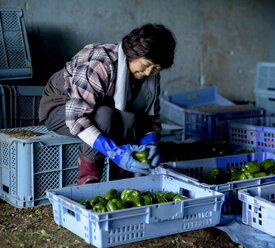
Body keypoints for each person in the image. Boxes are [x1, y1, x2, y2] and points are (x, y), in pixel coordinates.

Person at [39, 23, 176, 184]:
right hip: (62, 108)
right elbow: (76, 117)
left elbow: (150, 117)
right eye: (145, 65)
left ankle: (121, 183)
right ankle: (88, 185)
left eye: (155, 68)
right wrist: (113, 151)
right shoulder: (100, 64)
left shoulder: (150, 76)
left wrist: (150, 142)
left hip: (103, 108)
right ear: (134, 52)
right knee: (105, 117)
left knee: (131, 118)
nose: (148, 72)